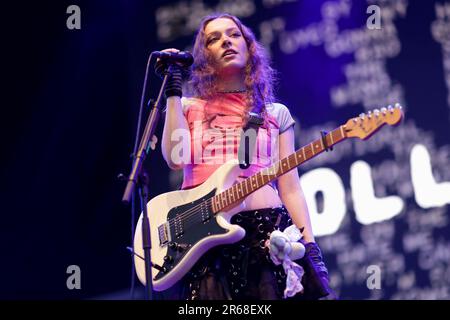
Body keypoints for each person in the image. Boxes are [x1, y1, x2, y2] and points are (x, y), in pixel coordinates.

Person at [154, 13, 335, 300]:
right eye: (214, 39)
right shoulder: (187, 107)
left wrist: (310, 247)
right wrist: (174, 90)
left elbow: (290, 189)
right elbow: (176, 159)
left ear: (249, 46)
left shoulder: (273, 114)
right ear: (204, 57)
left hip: (265, 237)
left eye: (233, 34)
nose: (226, 40)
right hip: (207, 241)